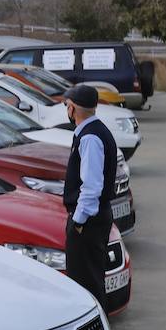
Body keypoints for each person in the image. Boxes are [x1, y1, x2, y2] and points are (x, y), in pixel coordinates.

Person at [62, 84, 119, 308]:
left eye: (67, 105)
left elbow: (92, 187)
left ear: (74, 108)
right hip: (95, 219)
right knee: (91, 278)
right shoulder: (95, 131)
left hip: (88, 223)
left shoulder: (90, 138)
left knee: (87, 284)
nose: (66, 109)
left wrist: (77, 222)